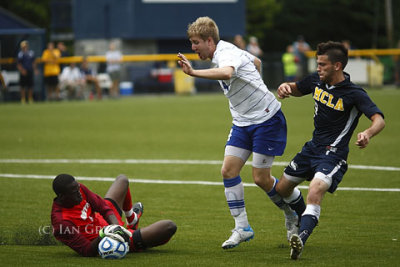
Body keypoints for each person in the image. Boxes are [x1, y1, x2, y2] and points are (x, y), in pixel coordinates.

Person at [177, 16, 301, 250]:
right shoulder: (225, 52)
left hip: (267, 120)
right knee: (228, 170)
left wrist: (193, 73)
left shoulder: (226, 54)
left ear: (209, 41)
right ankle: (242, 228)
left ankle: (293, 213)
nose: (193, 48)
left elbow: (226, 73)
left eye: (196, 42)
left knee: (260, 179)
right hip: (242, 122)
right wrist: (255, 84)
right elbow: (255, 61)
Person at [276, 41, 385, 260]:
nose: (318, 68)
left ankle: (300, 240)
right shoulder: (317, 80)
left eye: (323, 64)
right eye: (317, 63)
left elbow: (379, 119)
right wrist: (285, 87)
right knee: (282, 189)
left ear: (337, 66)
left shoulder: (355, 93)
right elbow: (297, 89)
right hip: (311, 148)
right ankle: (301, 218)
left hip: (333, 154)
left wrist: (367, 133)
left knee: (315, 191)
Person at [51, 173, 177, 257]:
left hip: (108, 223)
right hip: (110, 238)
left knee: (122, 180)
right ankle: (132, 235)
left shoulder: (79, 189)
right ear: (62, 196)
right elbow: (87, 250)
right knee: (169, 227)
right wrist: (108, 233)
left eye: (78, 188)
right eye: (74, 192)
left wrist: (116, 226)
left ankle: (131, 219)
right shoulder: (61, 222)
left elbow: (103, 207)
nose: (79, 193)